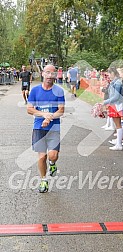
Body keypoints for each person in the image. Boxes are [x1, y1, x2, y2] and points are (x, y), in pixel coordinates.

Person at [27, 64, 65, 193]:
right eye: (47, 72)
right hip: (38, 127)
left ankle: (53, 165)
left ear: (55, 75)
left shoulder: (59, 91)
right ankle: (44, 180)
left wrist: (49, 118)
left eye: (52, 73)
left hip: (54, 127)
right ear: (42, 74)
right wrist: (43, 115)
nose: (50, 75)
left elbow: (61, 110)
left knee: (53, 156)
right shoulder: (35, 91)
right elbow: (29, 109)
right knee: (42, 157)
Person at [103, 67, 123, 151]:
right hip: (115, 104)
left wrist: (105, 101)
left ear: (113, 73)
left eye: (109, 74)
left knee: (118, 125)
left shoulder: (117, 83)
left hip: (116, 105)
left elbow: (116, 96)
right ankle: (118, 142)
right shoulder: (115, 82)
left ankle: (119, 144)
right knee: (118, 125)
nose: (108, 76)